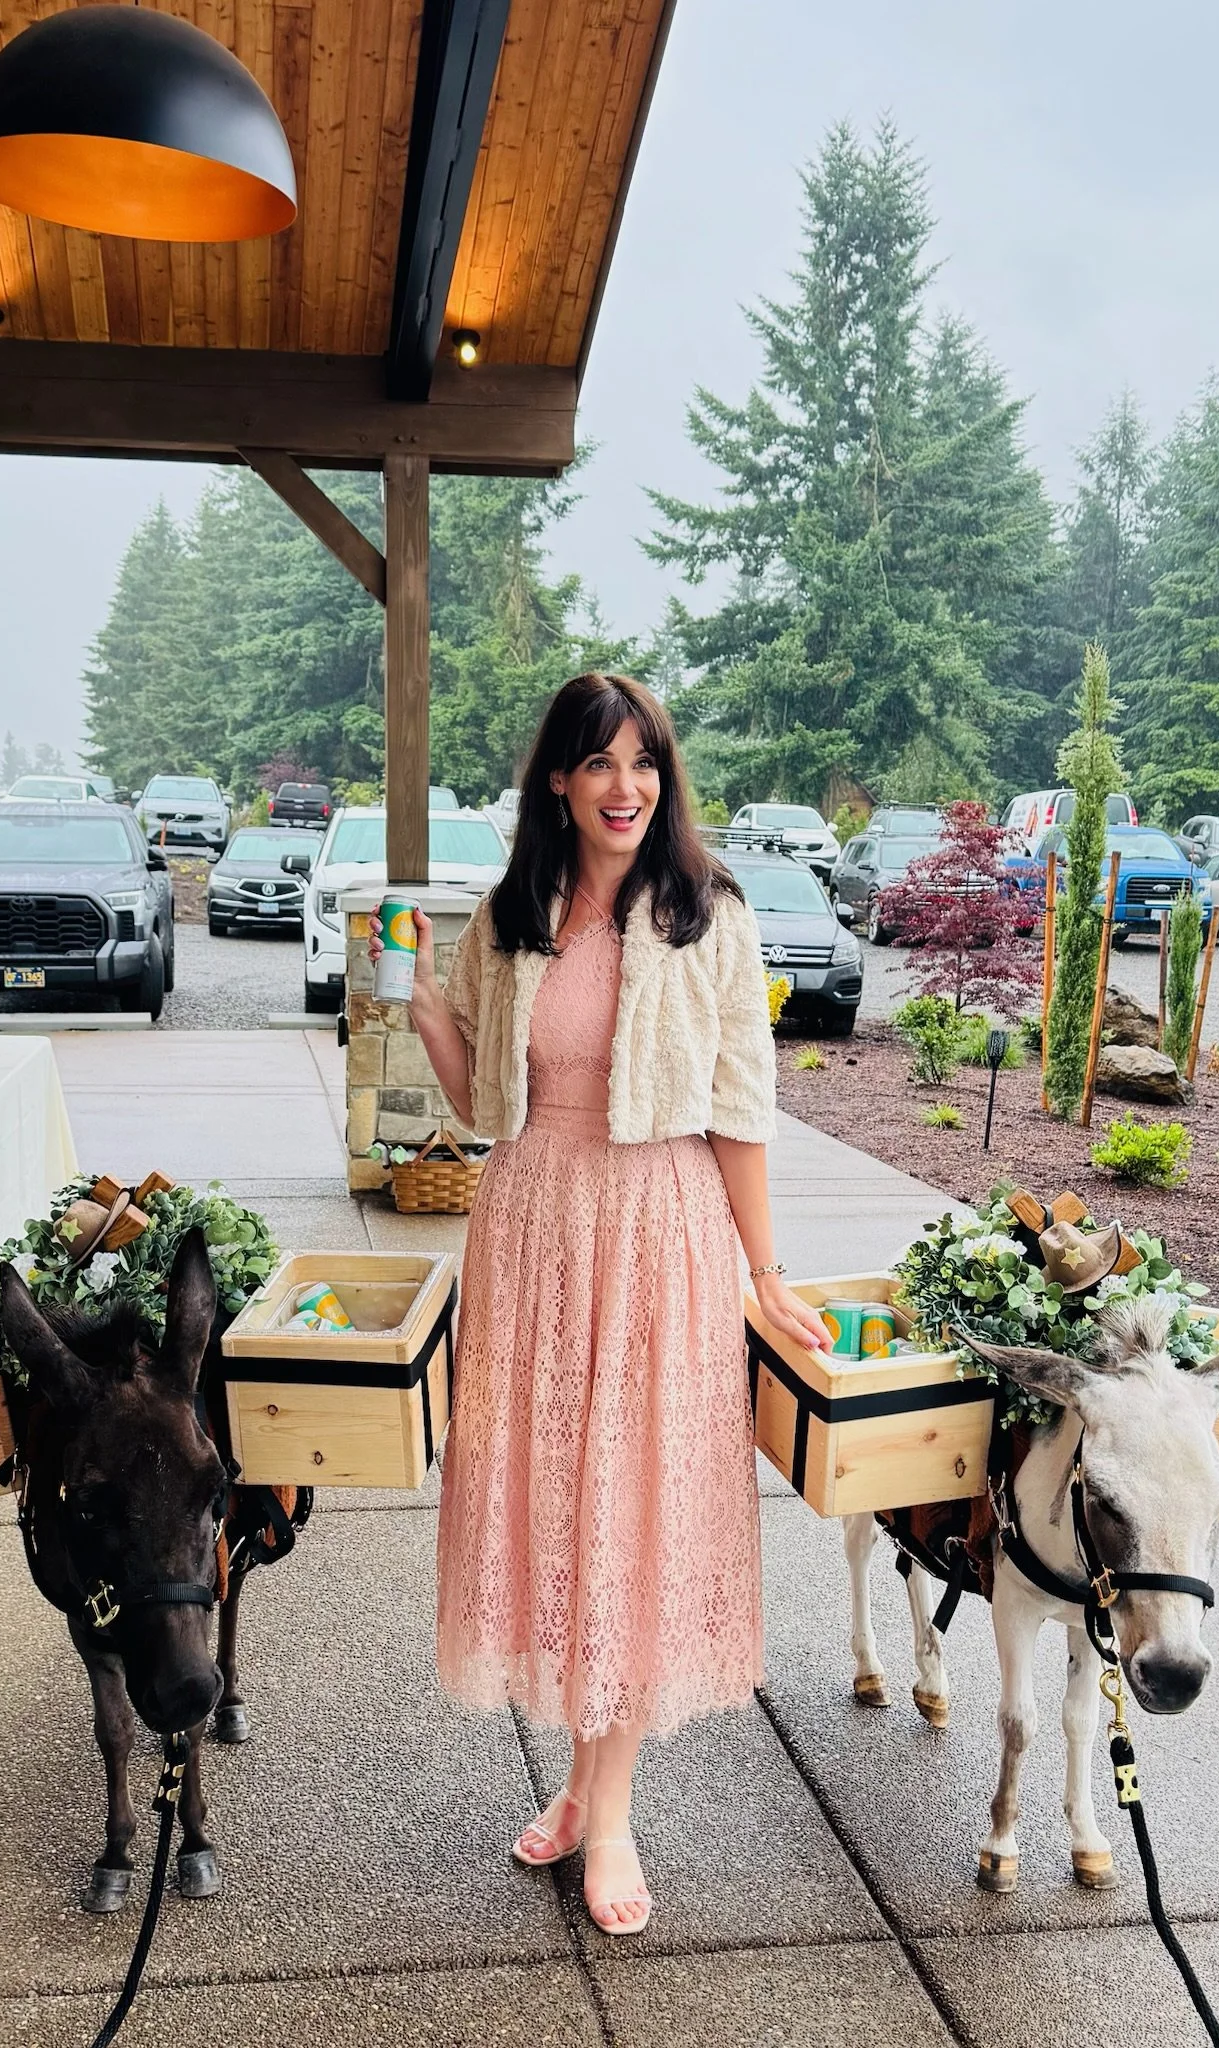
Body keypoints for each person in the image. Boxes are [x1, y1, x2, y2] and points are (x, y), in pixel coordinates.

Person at [375, 672, 830, 1937]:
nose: (625, 785)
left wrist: (768, 1270)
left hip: (658, 1228)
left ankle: (612, 1810)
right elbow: (482, 1105)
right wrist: (421, 1009)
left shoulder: (709, 915)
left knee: (632, 1510)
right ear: (559, 783)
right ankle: (580, 1784)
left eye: (645, 761)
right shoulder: (514, 910)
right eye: (599, 762)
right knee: (560, 1508)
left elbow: (741, 1109)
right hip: (531, 1228)